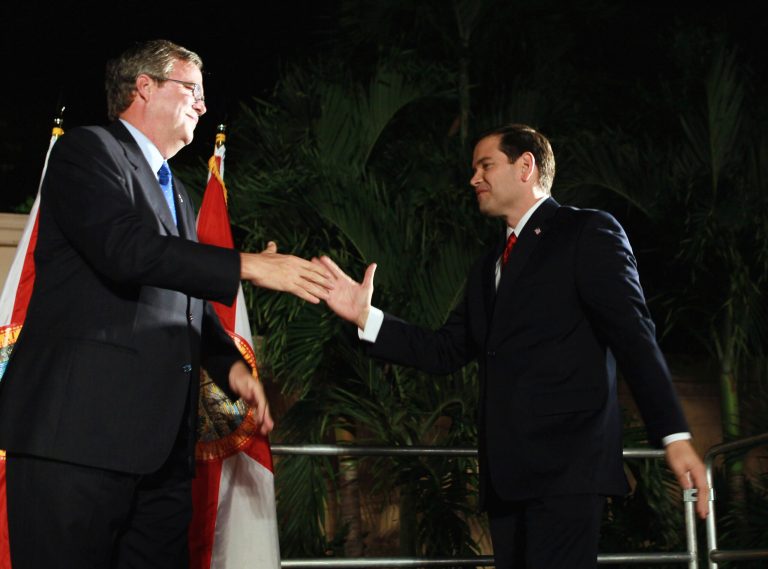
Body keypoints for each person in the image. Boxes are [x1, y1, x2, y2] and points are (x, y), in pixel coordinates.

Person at [315, 123, 709, 569]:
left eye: (485, 165)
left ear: (526, 166)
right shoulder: (487, 267)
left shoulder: (587, 232)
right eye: (473, 169)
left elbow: (633, 335)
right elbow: (445, 350)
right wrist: (366, 317)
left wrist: (674, 434)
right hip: (506, 478)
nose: (473, 179)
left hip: (567, 473)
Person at [0, 39, 331, 569]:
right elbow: (125, 252)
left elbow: (183, 304)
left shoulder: (180, 194)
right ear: (144, 87)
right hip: (76, 444)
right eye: (191, 90)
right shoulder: (87, 152)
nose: (202, 105)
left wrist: (231, 370)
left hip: (159, 458)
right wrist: (246, 264)